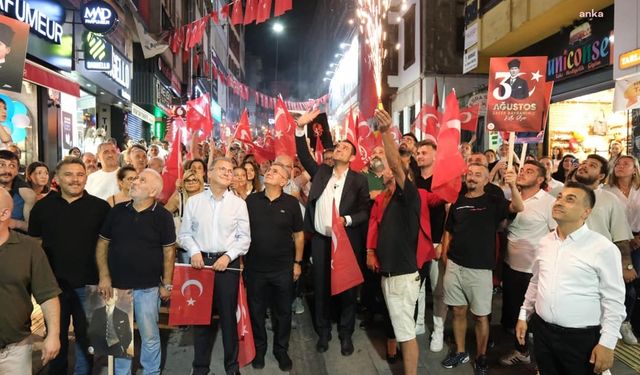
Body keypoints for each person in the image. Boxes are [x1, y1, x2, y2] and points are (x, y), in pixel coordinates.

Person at [516, 182, 626, 375]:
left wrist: (608, 343)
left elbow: (614, 300)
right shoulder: (545, 242)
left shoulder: (603, 248)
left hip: (580, 339)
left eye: (570, 199)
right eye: (559, 197)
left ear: (586, 212)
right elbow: (536, 281)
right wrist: (523, 315)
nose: (559, 202)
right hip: (543, 332)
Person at [295, 109, 370, 356]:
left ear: (351, 157)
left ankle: (345, 334)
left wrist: (345, 220)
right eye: (337, 147)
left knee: (347, 289)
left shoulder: (359, 181)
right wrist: (300, 128)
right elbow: (304, 155)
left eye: (344, 149)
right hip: (320, 241)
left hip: (345, 242)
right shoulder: (322, 173)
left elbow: (364, 212)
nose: (338, 149)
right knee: (321, 287)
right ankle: (323, 332)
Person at [29, 157, 111, 375]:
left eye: (80, 174)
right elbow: (35, 247)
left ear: (86, 177)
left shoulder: (101, 208)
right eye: (68, 174)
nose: (75, 179)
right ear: (57, 179)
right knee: (56, 336)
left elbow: (108, 247)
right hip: (53, 287)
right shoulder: (42, 207)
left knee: (87, 339)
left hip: (89, 284)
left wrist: (106, 277)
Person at [441, 163, 524, 374]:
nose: (472, 177)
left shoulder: (493, 200)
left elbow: (518, 207)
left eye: (478, 175)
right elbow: (449, 230)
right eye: (470, 174)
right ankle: (460, 351)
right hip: (455, 265)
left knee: (480, 316)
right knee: (458, 311)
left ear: (487, 180)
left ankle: (481, 356)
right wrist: (445, 255)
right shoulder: (458, 201)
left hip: (480, 269)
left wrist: (513, 185)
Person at [96, 169, 176, 375]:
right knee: (119, 337)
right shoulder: (116, 211)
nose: (134, 182)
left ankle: (151, 372)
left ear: (153, 191)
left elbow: (169, 252)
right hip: (117, 286)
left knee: (150, 336)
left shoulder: (163, 216)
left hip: (148, 287)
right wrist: (104, 277)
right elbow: (102, 244)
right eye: (134, 178)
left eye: (141, 180)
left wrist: (167, 284)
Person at [179, 157, 250, 375]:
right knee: (200, 319)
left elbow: (244, 239)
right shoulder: (194, 202)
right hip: (200, 264)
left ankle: (232, 367)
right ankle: (200, 367)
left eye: (231, 170)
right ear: (209, 173)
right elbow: (184, 235)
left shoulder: (238, 204)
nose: (228, 173)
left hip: (226, 265)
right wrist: (194, 251)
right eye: (223, 169)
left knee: (229, 318)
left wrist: (228, 256)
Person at [366, 109, 423, 375]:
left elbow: (397, 166)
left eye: (397, 172)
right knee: (402, 332)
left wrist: (386, 132)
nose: (390, 171)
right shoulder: (389, 201)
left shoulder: (409, 196)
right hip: (390, 275)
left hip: (401, 277)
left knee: (406, 335)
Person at [245, 162, 304, 371]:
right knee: (256, 312)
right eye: (269, 170)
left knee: (283, 313)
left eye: (276, 171)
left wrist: (297, 263)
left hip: (283, 269)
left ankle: (281, 349)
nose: (270, 172)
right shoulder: (251, 201)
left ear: (284, 181)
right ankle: (259, 349)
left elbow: (298, 235)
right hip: (254, 270)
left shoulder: (291, 203)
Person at [499, 160, 556, 367]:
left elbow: (555, 234)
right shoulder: (509, 197)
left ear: (540, 179)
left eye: (529, 171)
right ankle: (521, 349)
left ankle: (539, 354)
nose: (522, 173)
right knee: (514, 310)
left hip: (533, 269)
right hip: (510, 264)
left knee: (534, 313)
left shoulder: (548, 202)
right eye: (521, 170)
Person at [0, 188, 61, 374]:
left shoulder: (28, 249)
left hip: (14, 349)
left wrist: (53, 334)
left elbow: (48, 294)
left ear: (4, 213)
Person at [413, 137, 448, 352]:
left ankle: (439, 330)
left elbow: (450, 215)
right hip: (416, 242)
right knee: (417, 286)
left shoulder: (444, 181)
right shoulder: (413, 179)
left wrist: (443, 242)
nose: (419, 156)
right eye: (418, 153)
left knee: (438, 289)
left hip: (437, 241)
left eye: (424, 152)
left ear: (436, 154)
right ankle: (418, 323)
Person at [604, 155, 640, 345]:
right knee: (618, 283)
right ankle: (614, 322)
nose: (620, 166)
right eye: (617, 163)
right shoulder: (606, 190)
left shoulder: (638, 190)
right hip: (614, 242)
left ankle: (625, 322)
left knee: (633, 284)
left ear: (635, 169)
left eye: (626, 164)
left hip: (637, 240)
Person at [164, 170, 205, 264]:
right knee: (187, 277)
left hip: (205, 247)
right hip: (185, 248)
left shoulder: (208, 198)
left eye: (194, 180)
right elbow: (163, 214)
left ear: (200, 182)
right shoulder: (179, 198)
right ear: (183, 183)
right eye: (187, 180)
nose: (191, 182)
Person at [87, 290, 132, 357]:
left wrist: (122, 347)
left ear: (116, 297)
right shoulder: (97, 313)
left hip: (117, 348)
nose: (108, 297)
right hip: (100, 348)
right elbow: (92, 332)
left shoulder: (123, 315)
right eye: (106, 294)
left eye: (111, 295)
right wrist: (92, 347)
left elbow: (128, 335)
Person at [0, 150, 35, 232]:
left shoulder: (23, 197)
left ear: (17, 171)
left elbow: (32, 228)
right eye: (1, 165)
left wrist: (15, 223)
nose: (7, 170)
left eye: (12, 166)